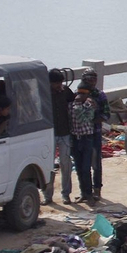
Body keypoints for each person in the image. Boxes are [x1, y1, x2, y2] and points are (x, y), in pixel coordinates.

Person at [43, 69, 76, 205]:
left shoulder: (66, 92)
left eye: (60, 83)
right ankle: (47, 195)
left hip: (65, 133)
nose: (59, 86)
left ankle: (66, 194)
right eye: (56, 83)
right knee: (48, 165)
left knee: (65, 164)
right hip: (49, 134)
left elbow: (74, 103)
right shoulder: (44, 94)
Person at [81, 69, 110, 202]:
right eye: (89, 79)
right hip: (81, 135)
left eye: (94, 79)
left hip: (94, 134)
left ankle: (97, 190)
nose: (92, 82)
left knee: (96, 163)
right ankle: (85, 192)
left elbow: (106, 115)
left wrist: (92, 121)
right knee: (83, 164)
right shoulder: (79, 93)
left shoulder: (100, 95)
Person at [70, 82, 97, 203]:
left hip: (87, 139)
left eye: (82, 94)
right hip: (76, 139)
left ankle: (89, 194)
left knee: (86, 168)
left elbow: (82, 119)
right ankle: (83, 193)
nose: (79, 96)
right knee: (79, 168)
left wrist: (77, 104)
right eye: (78, 93)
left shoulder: (89, 105)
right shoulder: (72, 105)